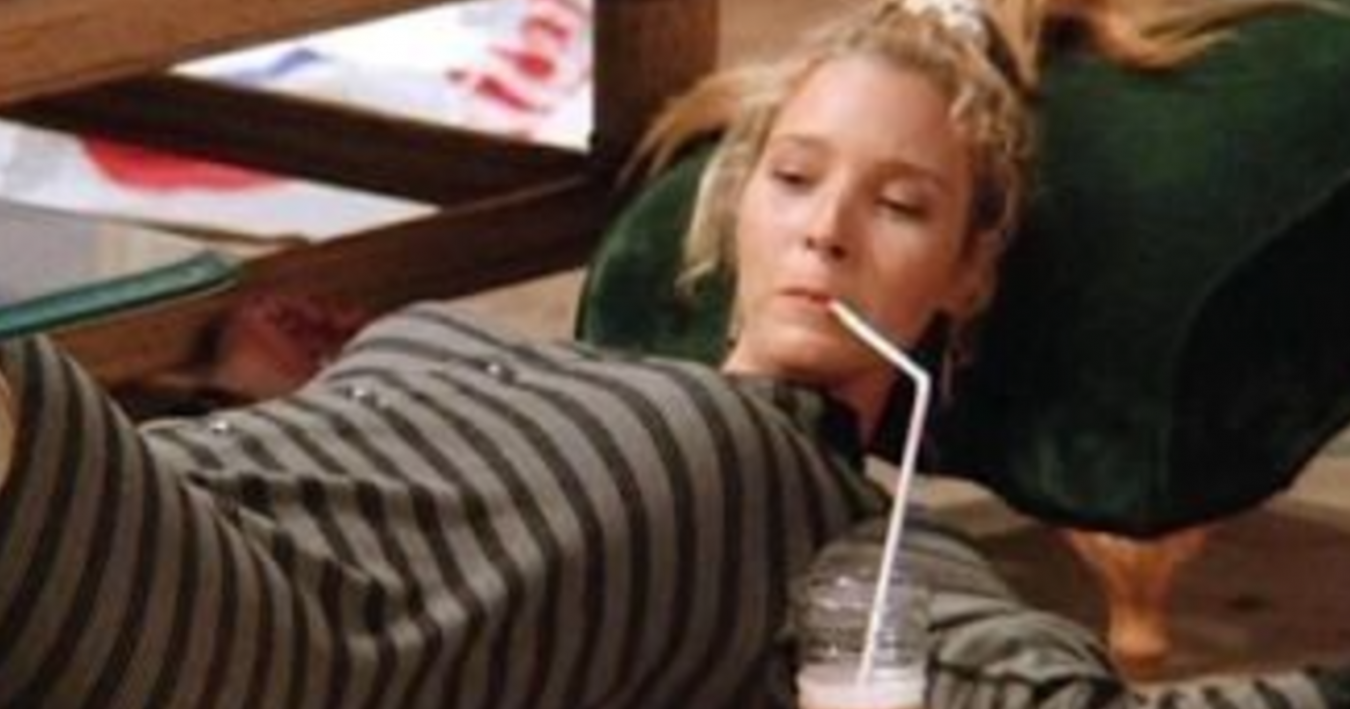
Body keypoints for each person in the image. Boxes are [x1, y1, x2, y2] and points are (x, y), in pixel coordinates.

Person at [1, 1, 1347, 709]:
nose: (826, 228)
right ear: (735, 201)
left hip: (215, 641)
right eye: (796, 177)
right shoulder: (505, 358)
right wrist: (292, 389)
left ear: (966, 271)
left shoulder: (843, 538)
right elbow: (432, 500)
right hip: (148, 489)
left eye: (898, 204)